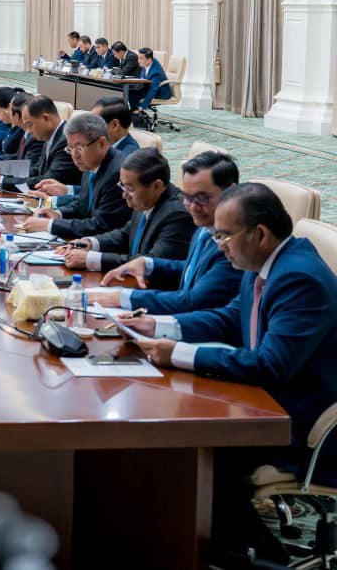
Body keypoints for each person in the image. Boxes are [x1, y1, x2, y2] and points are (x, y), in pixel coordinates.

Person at [118, 183, 337, 546]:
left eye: (223, 235)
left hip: (298, 425)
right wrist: (157, 324)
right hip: (265, 403)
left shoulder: (300, 279)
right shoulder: (264, 261)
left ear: (260, 233)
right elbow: (231, 317)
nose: (217, 244)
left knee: (185, 447)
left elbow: (269, 366)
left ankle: (248, 554)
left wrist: (178, 354)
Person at [91, 150, 241, 313]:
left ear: (230, 192)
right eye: (187, 197)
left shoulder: (234, 244)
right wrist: (149, 264)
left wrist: (124, 298)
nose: (192, 207)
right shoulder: (204, 228)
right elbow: (192, 271)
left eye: (201, 198)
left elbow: (194, 301)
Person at [56, 147, 195, 271]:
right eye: (122, 186)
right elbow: (125, 235)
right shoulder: (145, 198)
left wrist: (92, 259)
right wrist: (90, 243)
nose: (124, 195)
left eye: (129, 188)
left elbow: (149, 263)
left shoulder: (178, 215)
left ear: (156, 186)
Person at [19, 113, 130, 240]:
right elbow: (83, 205)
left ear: (101, 143)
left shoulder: (117, 173)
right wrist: (58, 214)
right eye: (70, 148)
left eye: (80, 148)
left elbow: (101, 226)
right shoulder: (90, 164)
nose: (74, 155)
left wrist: (50, 225)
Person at [0, 95, 81, 191]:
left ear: (45, 118)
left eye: (30, 125)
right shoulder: (50, 136)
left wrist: (2, 181)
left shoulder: (66, 140)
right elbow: (36, 170)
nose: (29, 131)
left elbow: (48, 180)